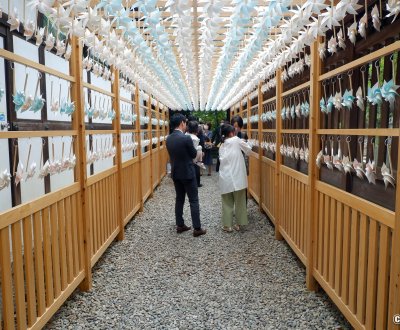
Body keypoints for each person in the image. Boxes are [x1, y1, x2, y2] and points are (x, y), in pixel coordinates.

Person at [166, 114, 206, 237]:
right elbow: (194, 154)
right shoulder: (186, 138)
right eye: (185, 123)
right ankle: (197, 228)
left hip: (176, 172)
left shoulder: (168, 138)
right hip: (188, 172)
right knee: (193, 200)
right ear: (182, 123)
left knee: (179, 199)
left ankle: (180, 225)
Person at [218, 124, 252, 232]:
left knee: (227, 202)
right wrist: (249, 142)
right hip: (238, 177)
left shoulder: (222, 146)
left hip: (225, 177)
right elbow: (249, 150)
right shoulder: (236, 140)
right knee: (240, 201)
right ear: (232, 133)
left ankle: (228, 226)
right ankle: (239, 224)